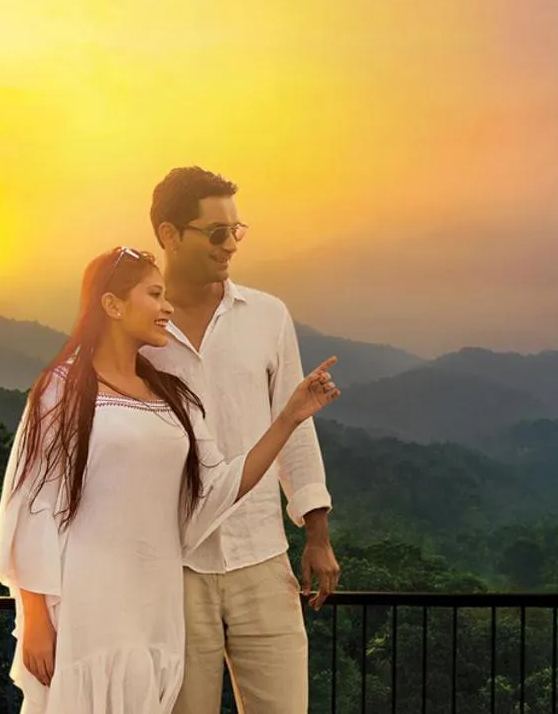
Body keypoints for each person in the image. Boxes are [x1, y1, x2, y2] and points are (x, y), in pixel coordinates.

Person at [0, 245, 341, 713]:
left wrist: (289, 418)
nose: (167, 307)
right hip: (87, 603)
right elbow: (31, 502)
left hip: (156, 606)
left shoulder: (171, 395)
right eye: (154, 295)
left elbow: (218, 488)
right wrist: (34, 614)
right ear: (112, 305)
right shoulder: (62, 388)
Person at [140, 166, 340, 714]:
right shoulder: (139, 330)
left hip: (262, 558)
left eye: (237, 231)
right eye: (216, 232)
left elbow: (295, 427)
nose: (230, 245)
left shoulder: (268, 317)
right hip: (174, 566)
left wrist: (316, 534)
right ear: (169, 234)